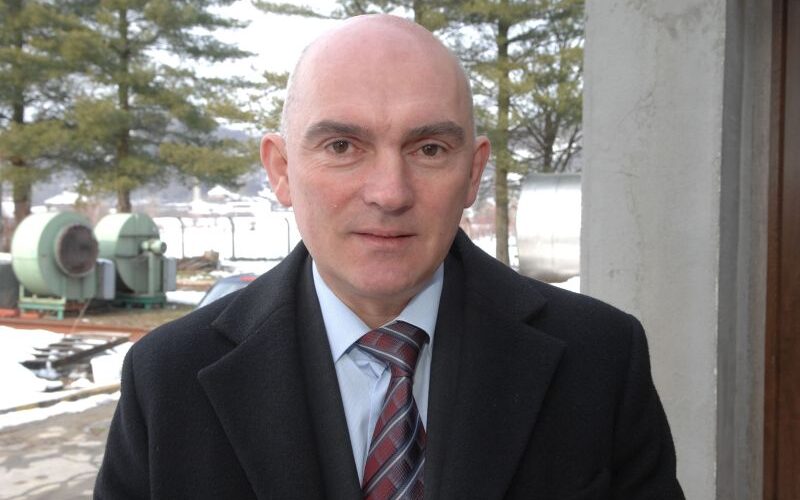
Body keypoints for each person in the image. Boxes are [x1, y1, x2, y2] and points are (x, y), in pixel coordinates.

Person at [94, 14, 684, 500]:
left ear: (473, 172)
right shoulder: (168, 380)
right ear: (281, 170)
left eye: (429, 149)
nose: (390, 192)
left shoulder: (600, 360)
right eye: (343, 145)